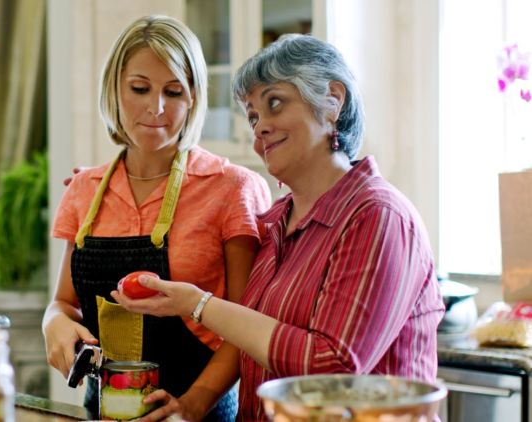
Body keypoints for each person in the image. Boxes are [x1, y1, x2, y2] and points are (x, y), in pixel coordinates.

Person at [113, 33, 445, 421]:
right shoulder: (275, 225)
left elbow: (332, 369)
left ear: (333, 100)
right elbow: (250, 344)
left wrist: (197, 304)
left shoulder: (378, 216)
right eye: (253, 116)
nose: (260, 128)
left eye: (275, 103)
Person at [42, 15, 271, 420]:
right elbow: (64, 303)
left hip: (200, 411)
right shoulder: (84, 191)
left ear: (195, 98)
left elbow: (246, 326)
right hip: (104, 409)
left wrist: (191, 405)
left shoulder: (232, 188)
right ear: (114, 89)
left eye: (174, 91)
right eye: (139, 89)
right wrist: (53, 323)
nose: (157, 107)